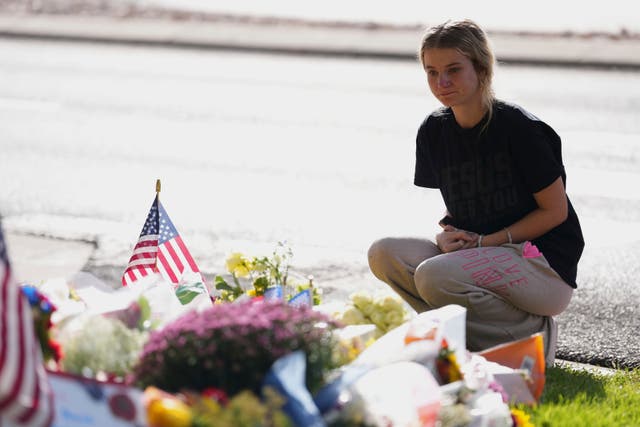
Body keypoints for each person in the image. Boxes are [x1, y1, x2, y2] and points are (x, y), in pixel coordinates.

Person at [367, 19, 584, 366]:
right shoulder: (434, 131)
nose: (442, 82)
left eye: (454, 69)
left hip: (541, 266)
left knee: (434, 274)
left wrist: (486, 242)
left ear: (481, 68)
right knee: (384, 253)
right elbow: (466, 203)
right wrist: (447, 236)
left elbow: (554, 213)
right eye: (432, 72)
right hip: (482, 254)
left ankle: (534, 336)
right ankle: (465, 342)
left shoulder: (520, 129)